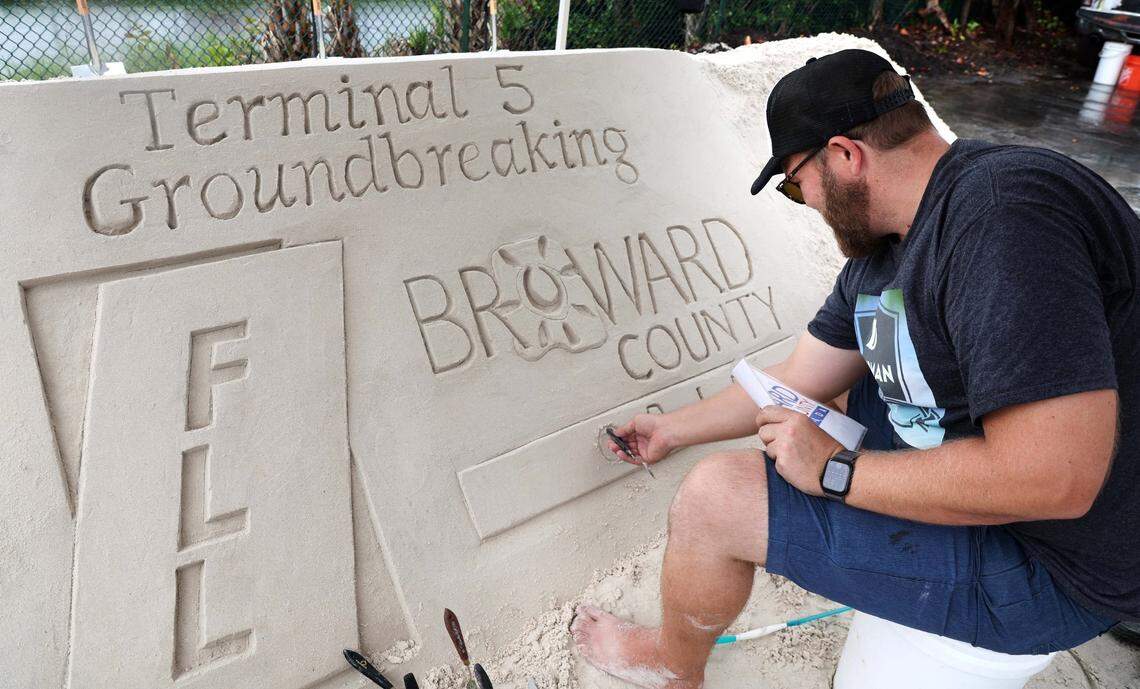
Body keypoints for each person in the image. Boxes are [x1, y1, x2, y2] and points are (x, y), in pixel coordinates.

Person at [571, 48, 1140, 689]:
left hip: (1057, 561)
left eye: (793, 184)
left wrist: (837, 472)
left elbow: (1055, 480)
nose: (803, 201)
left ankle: (675, 668)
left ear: (844, 155)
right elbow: (797, 377)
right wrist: (672, 429)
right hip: (993, 478)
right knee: (852, 388)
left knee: (713, 501)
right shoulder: (888, 250)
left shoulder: (1002, 219)